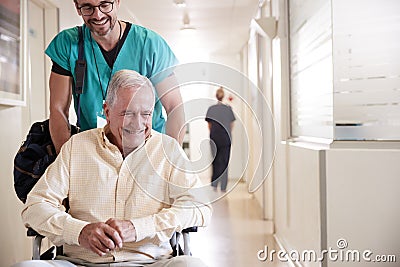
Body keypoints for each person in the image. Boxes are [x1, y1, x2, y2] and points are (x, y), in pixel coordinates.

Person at [14, 70, 211, 267]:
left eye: (146, 114)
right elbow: (35, 207)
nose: (138, 124)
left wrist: (139, 227)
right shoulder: (77, 146)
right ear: (107, 111)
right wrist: (79, 231)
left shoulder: (168, 150)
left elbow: (200, 207)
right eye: (127, 113)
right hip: (80, 262)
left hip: (151, 262)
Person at [48, 0, 185, 154]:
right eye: (87, 7)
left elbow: (175, 107)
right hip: (94, 151)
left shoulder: (149, 44)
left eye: (105, 4)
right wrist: (67, 160)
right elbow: (58, 110)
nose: (98, 15)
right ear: (77, 7)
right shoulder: (68, 44)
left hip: (148, 150)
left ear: (117, 2)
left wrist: (172, 160)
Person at [205, 87, 235, 192]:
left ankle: (214, 184)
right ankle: (223, 186)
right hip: (226, 139)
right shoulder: (228, 109)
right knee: (225, 162)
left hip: (214, 138)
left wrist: (214, 133)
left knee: (215, 161)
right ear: (223, 96)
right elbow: (231, 125)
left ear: (216, 96)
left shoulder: (211, 109)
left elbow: (209, 125)